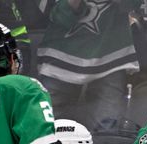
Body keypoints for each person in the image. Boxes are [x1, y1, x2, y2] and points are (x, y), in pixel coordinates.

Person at [37, 0, 140, 132]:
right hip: (60, 61)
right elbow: (51, 15)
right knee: (49, 131)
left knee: (106, 131)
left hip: (111, 59)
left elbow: (133, 4)